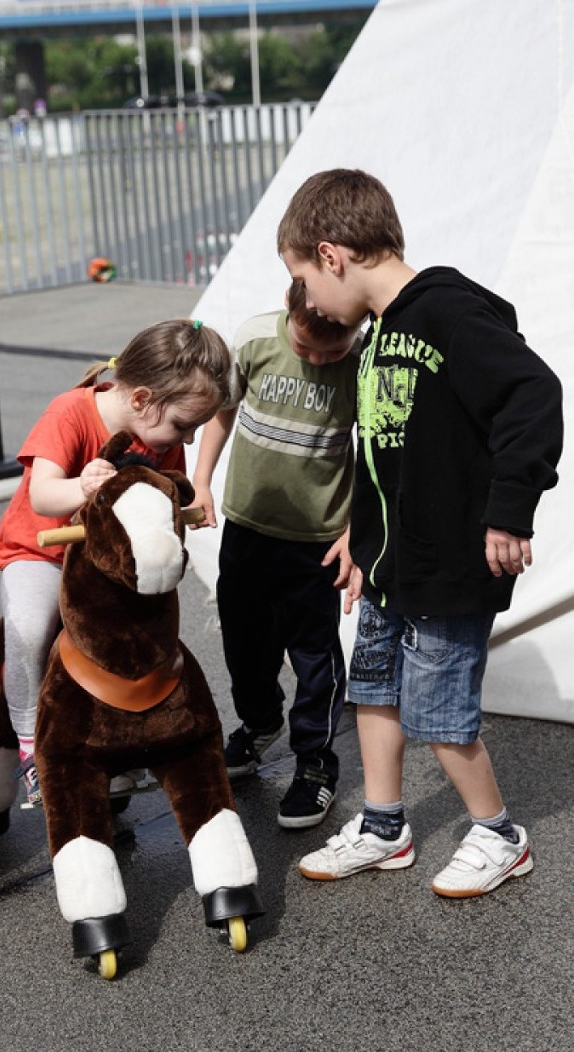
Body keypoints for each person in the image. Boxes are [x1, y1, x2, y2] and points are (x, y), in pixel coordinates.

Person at [279, 168, 563, 897]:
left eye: (305, 279)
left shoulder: (446, 314)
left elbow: (533, 392)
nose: (308, 300)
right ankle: (383, 826)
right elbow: (387, 451)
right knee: (372, 688)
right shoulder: (379, 336)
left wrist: (509, 510)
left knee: (439, 713)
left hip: (448, 564)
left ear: (333, 254)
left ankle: (500, 834)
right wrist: (357, 533)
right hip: (387, 564)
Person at [0, 317, 232, 806]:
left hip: (106, 566)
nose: (185, 441)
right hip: (42, 552)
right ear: (141, 399)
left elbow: (160, 504)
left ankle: (128, 739)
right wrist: (82, 486)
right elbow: (41, 495)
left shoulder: (158, 438)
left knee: (140, 634)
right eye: (183, 426)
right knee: (31, 626)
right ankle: (32, 747)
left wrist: (183, 515)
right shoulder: (70, 412)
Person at [192, 279, 360, 830]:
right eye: (306, 347)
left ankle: (315, 762)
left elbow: (377, 446)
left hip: (318, 539)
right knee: (244, 641)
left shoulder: (361, 357)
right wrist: (202, 481)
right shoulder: (256, 339)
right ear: (292, 310)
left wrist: (356, 529)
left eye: (329, 354)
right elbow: (223, 411)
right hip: (248, 527)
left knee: (314, 656)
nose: (316, 360)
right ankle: (260, 722)